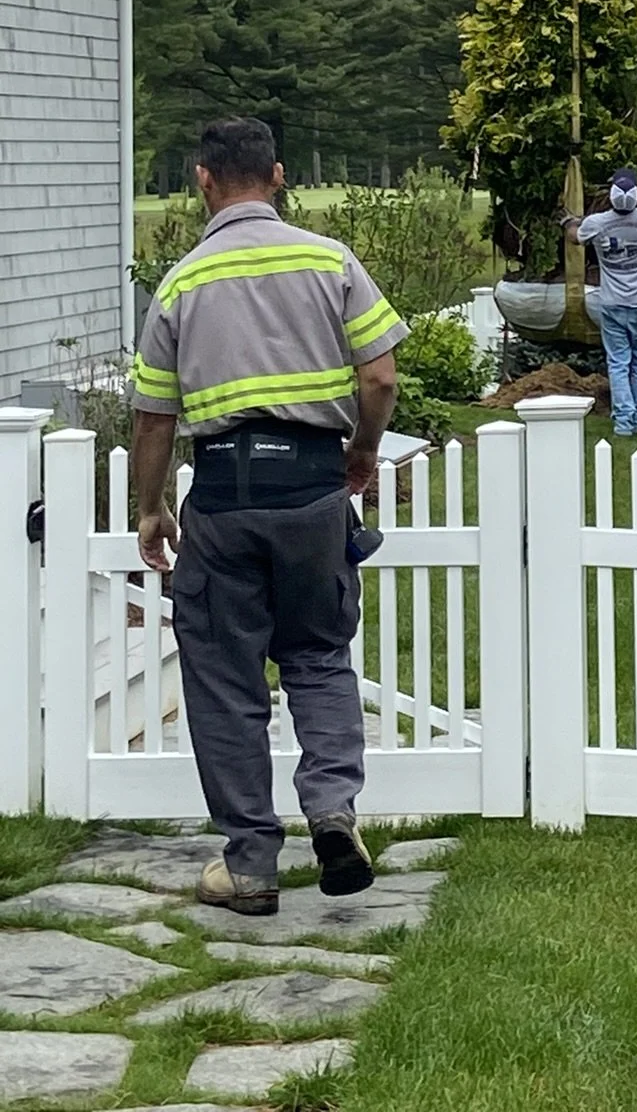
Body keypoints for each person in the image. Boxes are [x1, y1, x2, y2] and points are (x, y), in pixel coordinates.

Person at [130, 117, 407, 917]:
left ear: (203, 180)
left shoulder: (181, 283)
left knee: (223, 681)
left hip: (223, 497)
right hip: (315, 492)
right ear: (278, 176)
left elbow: (152, 417)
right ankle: (331, 812)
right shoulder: (330, 260)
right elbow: (381, 377)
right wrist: (360, 451)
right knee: (319, 656)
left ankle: (250, 865)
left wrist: (153, 510)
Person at [574, 165, 637, 437]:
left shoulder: (597, 223)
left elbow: (575, 237)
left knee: (618, 362)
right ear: (636, 193)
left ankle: (623, 422)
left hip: (612, 303)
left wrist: (568, 221)